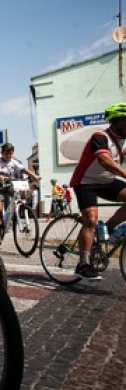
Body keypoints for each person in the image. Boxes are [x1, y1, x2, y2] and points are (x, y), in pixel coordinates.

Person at [71, 102, 126, 280]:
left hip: (106, 182)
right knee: (90, 220)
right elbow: (104, 160)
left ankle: (109, 229)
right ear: (116, 120)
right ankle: (83, 264)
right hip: (85, 182)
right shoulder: (100, 137)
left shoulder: (122, 141)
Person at [0, 142, 40, 247]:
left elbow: (23, 169)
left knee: (19, 196)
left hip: (8, 185)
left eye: (10, 153)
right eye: (6, 153)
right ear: (2, 153)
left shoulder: (13, 162)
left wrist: (34, 175)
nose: (8, 155)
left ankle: (12, 217)